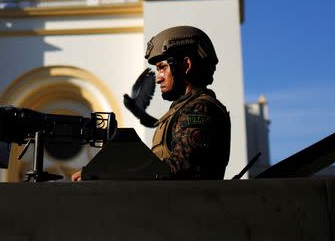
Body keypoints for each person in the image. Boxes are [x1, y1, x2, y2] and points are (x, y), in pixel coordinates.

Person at [72, 25, 230, 181]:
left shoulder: (200, 109)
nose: (159, 77)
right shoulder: (180, 110)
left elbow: (179, 167)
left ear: (186, 65)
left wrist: (104, 172)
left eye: (162, 68)